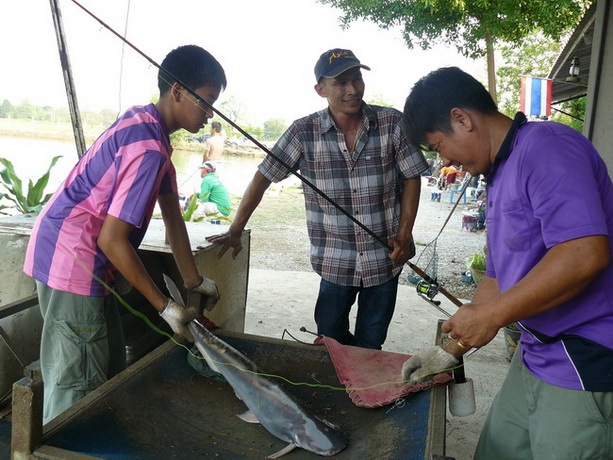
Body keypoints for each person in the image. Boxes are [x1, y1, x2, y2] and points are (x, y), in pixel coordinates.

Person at [401, 66, 613, 459]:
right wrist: (450, 349)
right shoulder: (500, 173)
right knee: (495, 450)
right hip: (535, 351)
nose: (442, 158)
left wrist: (493, 316)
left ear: (461, 119)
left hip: (583, 359)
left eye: (437, 145)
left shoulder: (546, 146)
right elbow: (496, 279)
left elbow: (585, 252)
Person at [23, 44, 226, 424]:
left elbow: (173, 219)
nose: (209, 113)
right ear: (178, 91)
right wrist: (166, 308)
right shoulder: (149, 147)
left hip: (75, 254)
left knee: (110, 362)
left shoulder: (148, 127)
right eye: (207, 100)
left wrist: (194, 281)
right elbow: (111, 240)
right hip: (75, 259)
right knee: (77, 386)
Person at [207, 48, 428, 350]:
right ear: (320, 89)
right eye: (340, 83)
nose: (352, 90)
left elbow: (412, 176)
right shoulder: (303, 132)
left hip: (385, 261)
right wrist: (235, 229)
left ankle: (360, 383)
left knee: (372, 342)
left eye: (356, 79)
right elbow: (262, 178)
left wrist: (404, 234)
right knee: (329, 339)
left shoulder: (391, 122)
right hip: (334, 261)